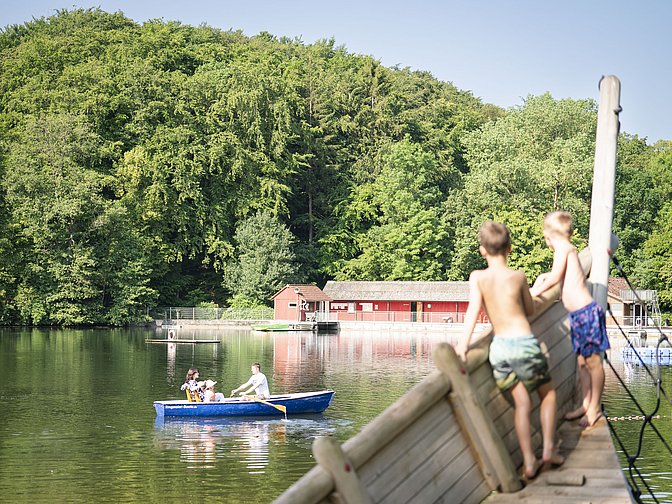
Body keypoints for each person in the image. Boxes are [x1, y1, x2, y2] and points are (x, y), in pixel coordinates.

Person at [455, 221, 564, 480]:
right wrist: (535, 290)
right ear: (510, 249)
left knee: (522, 404)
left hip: (500, 349)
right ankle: (548, 450)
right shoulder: (518, 276)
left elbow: (473, 311)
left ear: (483, 250)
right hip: (524, 343)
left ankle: (528, 462)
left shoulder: (477, 278)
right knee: (547, 394)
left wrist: (462, 345)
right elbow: (529, 309)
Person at [530, 211, 609, 428]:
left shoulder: (563, 248)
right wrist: (540, 280)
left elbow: (554, 277)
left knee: (593, 363)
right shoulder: (568, 249)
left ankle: (594, 408)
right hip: (578, 315)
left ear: (549, 234)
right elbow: (554, 275)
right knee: (583, 363)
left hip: (586, 313)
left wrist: (533, 293)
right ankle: (585, 404)